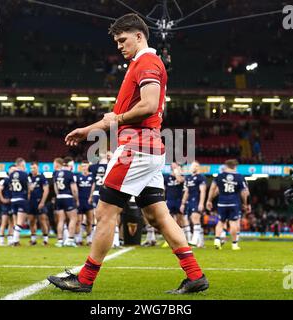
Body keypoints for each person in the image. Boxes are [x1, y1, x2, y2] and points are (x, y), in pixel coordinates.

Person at [48, 13, 208, 294]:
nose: (119, 46)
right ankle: (195, 275)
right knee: (159, 216)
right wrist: (88, 129)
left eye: (123, 40)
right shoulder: (140, 63)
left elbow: (146, 106)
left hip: (136, 149)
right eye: (117, 42)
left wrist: (116, 121)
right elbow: (118, 116)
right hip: (149, 148)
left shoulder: (146, 62)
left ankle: (84, 279)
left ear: (139, 35)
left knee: (105, 212)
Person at [206, 160, 250, 250]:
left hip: (221, 203)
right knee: (233, 223)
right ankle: (234, 244)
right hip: (234, 203)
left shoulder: (220, 176)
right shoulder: (239, 177)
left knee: (220, 222)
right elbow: (244, 192)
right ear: (235, 166)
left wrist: (209, 200)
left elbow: (212, 189)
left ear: (226, 166)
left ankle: (217, 240)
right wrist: (245, 203)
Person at [53, 157, 79, 247]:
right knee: (73, 218)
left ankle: (60, 240)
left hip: (59, 197)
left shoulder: (56, 173)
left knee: (61, 220)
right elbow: (74, 189)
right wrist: (76, 199)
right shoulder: (70, 173)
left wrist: (58, 196)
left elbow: (55, 188)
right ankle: (70, 239)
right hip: (68, 197)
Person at [180, 161, 207, 247]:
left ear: (197, 167)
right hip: (190, 201)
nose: (191, 167)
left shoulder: (201, 177)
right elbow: (187, 191)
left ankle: (194, 240)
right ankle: (201, 242)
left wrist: (201, 203)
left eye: (193, 166)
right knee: (193, 219)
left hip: (197, 199)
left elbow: (203, 191)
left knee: (195, 218)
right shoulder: (188, 178)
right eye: (191, 166)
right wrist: (183, 203)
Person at [10, 158, 32, 247]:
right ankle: (15, 241)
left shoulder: (11, 175)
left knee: (15, 222)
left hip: (13, 199)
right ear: (22, 165)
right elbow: (30, 187)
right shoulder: (25, 174)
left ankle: (15, 240)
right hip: (22, 199)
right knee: (20, 222)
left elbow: (10, 187)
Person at [28, 161, 50, 246]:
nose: (32, 170)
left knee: (42, 221)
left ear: (38, 168)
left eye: (34, 168)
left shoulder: (42, 177)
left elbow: (46, 190)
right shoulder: (28, 177)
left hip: (39, 202)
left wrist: (42, 202)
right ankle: (33, 240)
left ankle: (45, 240)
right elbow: (28, 191)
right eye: (31, 168)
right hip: (31, 203)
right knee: (31, 221)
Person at [0, 165, 16, 246]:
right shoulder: (5, 180)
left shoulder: (14, 180)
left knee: (12, 223)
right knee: (4, 222)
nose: (14, 172)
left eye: (15, 170)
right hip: (6, 204)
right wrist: (2, 199)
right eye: (12, 170)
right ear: (9, 171)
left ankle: (10, 239)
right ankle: (1, 240)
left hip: (12, 203)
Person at [76, 160, 95, 245]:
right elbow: (75, 189)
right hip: (80, 200)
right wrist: (76, 200)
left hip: (88, 200)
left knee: (90, 221)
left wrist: (91, 197)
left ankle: (89, 239)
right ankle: (79, 239)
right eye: (83, 166)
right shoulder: (78, 176)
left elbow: (93, 187)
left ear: (88, 167)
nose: (84, 168)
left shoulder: (92, 176)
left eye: (86, 166)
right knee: (78, 221)